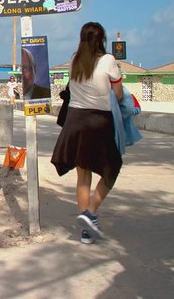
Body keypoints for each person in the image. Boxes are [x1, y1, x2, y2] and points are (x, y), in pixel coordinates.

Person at [50, 22, 123, 245]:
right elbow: (118, 95)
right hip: (98, 122)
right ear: (102, 38)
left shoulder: (74, 61)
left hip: (75, 121)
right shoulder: (108, 60)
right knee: (112, 169)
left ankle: (85, 230)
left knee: (83, 176)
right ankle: (90, 212)